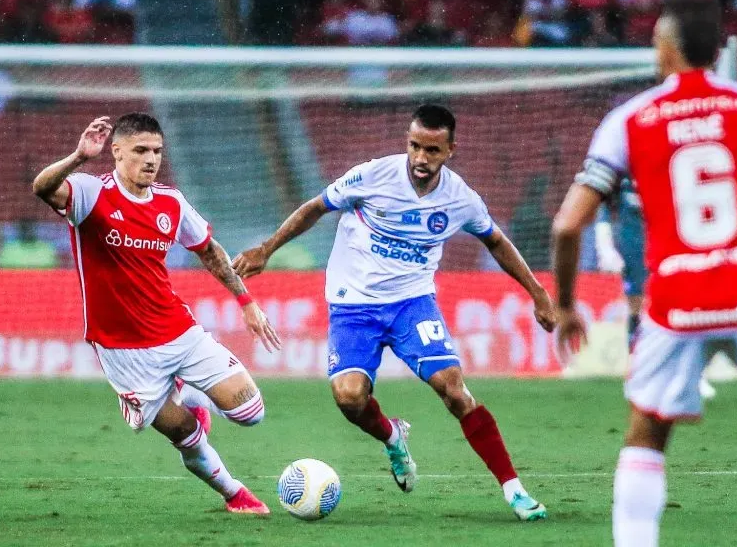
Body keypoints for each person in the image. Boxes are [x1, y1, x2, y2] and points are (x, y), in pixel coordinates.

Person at [551, 0, 737, 547]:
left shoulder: (629, 118)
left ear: (665, 48)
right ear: (718, 50)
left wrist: (567, 305)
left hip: (673, 299)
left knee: (647, 433)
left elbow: (568, 226)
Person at [233, 104, 557, 521]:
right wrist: (267, 248)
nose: (421, 158)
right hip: (352, 305)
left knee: (454, 389)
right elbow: (316, 206)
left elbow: (495, 241)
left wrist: (538, 293)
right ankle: (392, 437)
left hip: (412, 303)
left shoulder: (461, 199)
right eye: (415, 146)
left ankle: (514, 491)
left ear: (451, 150)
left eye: (433, 151)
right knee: (349, 398)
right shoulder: (372, 175)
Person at [32, 113, 280, 514]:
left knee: (251, 412)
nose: (151, 159)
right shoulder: (91, 193)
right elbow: (42, 188)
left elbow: (210, 251)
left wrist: (246, 302)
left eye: (157, 152)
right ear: (116, 152)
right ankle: (235, 494)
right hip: (123, 350)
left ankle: (191, 392)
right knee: (185, 432)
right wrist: (79, 156)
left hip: (177, 330)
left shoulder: (171, 202)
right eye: (140, 151)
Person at [594, 177, 717, 399]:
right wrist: (604, 244)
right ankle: (638, 374)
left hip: (671, 237)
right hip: (633, 241)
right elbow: (602, 199)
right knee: (636, 307)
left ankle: (693, 374)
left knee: (687, 303)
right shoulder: (621, 163)